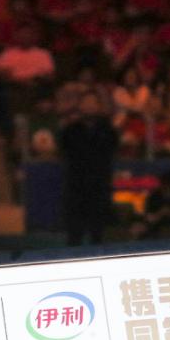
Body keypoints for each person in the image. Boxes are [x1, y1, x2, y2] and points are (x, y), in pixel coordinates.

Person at [59, 91, 117, 245]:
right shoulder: (70, 130)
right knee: (74, 235)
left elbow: (111, 151)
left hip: (99, 188)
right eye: (86, 102)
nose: (89, 106)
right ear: (80, 106)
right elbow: (65, 151)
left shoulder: (108, 130)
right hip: (76, 189)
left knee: (97, 234)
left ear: (99, 106)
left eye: (93, 102)